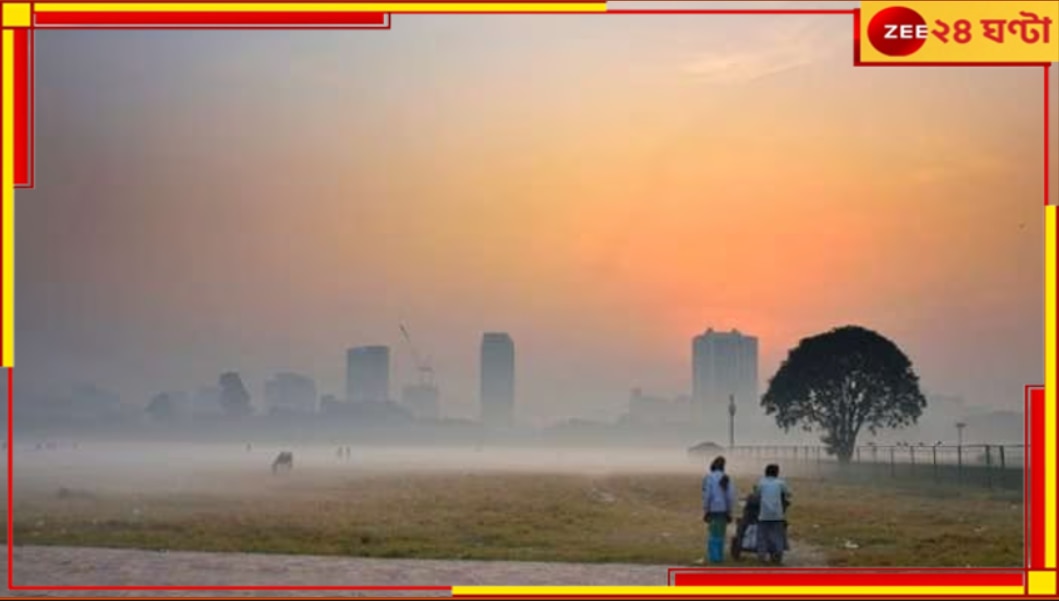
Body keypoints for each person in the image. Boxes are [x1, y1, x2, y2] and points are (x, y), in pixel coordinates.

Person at [752, 463, 791, 564]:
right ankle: (778, 554)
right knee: (777, 535)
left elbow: (756, 495)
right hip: (777, 515)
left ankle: (762, 556)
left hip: (764, 514)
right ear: (777, 473)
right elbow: (789, 493)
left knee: (762, 536)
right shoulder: (780, 483)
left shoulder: (762, 482)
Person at [701, 456, 737, 564]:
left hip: (713, 509)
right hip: (723, 510)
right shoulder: (726, 478)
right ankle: (719, 556)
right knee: (721, 534)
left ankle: (714, 557)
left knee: (713, 534)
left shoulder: (709, 477)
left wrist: (705, 508)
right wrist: (729, 510)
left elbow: (707, 495)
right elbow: (730, 496)